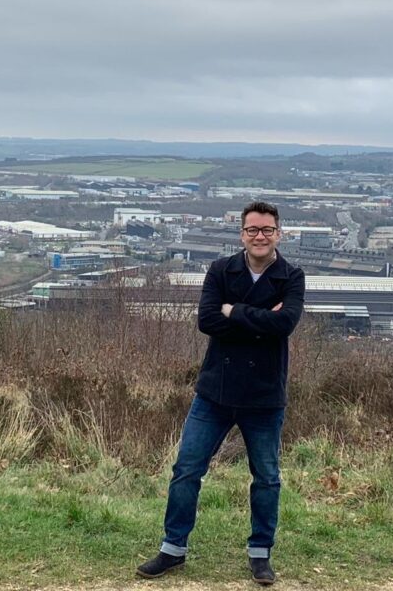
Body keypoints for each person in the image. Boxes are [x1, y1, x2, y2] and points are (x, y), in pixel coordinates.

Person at [137, 201, 305, 586]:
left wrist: (234, 312)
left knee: (266, 477)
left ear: (279, 233)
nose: (259, 236)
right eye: (252, 230)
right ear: (241, 233)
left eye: (266, 230)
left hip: (264, 397)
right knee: (186, 470)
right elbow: (206, 321)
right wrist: (257, 318)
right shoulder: (219, 270)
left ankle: (260, 554)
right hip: (214, 393)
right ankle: (172, 549)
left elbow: (285, 324)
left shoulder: (291, 276)